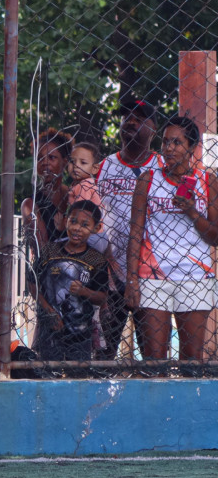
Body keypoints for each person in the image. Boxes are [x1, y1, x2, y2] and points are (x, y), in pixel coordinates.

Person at [126, 115, 218, 367]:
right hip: (152, 275)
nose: (169, 148)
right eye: (166, 142)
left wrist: (192, 212)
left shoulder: (207, 181)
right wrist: (132, 280)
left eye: (177, 143)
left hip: (195, 276)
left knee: (191, 359)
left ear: (192, 147)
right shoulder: (148, 180)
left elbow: (215, 237)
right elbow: (135, 233)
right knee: (154, 359)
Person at [96, 101, 162, 360]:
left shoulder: (163, 166)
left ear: (153, 128)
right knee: (104, 352)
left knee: (152, 354)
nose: (131, 122)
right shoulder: (104, 166)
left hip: (151, 274)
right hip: (111, 274)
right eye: (127, 117)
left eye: (139, 118)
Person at [33, 201, 109, 369]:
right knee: (49, 372)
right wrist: (48, 310)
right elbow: (32, 283)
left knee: (79, 374)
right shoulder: (50, 251)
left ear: (96, 228)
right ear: (65, 220)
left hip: (80, 332)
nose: (77, 228)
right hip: (50, 329)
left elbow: (102, 297)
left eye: (85, 225)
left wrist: (84, 291)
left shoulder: (96, 260)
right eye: (73, 221)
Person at [20, 129, 72, 249]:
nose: (45, 163)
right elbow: (42, 250)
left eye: (52, 157)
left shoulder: (74, 195)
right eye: (39, 158)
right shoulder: (30, 205)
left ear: (65, 162)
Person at [66, 142, 104, 208]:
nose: (76, 165)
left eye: (83, 162)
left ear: (94, 168)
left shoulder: (85, 185)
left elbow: (81, 210)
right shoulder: (84, 183)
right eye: (72, 161)